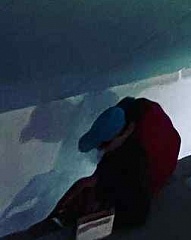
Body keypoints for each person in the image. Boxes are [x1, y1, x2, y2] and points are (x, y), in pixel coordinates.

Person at [35, 97, 181, 234]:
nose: (101, 150)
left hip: (152, 176)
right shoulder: (136, 108)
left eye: (104, 146)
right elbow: (87, 182)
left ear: (121, 136)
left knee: (102, 195)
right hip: (151, 150)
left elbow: (137, 215)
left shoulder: (135, 162)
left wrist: (92, 229)